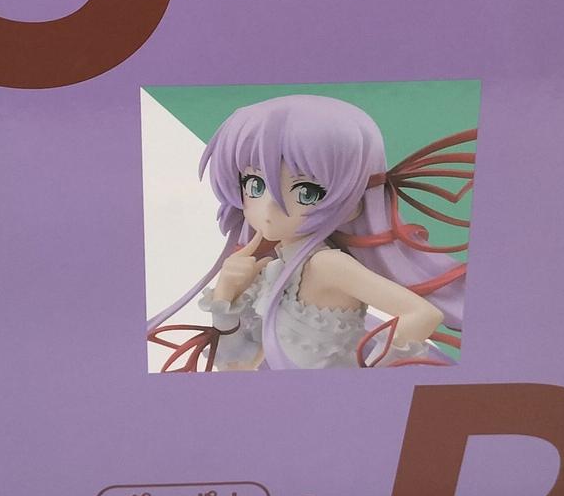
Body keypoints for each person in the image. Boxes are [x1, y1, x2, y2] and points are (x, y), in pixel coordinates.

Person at [146, 93, 474, 371]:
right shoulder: (274, 266)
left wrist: (372, 372)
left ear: (354, 200)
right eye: (255, 184)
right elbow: (236, 364)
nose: (269, 208)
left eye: (306, 192)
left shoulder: (327, 265)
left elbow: (423, 313)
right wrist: (225, 295)